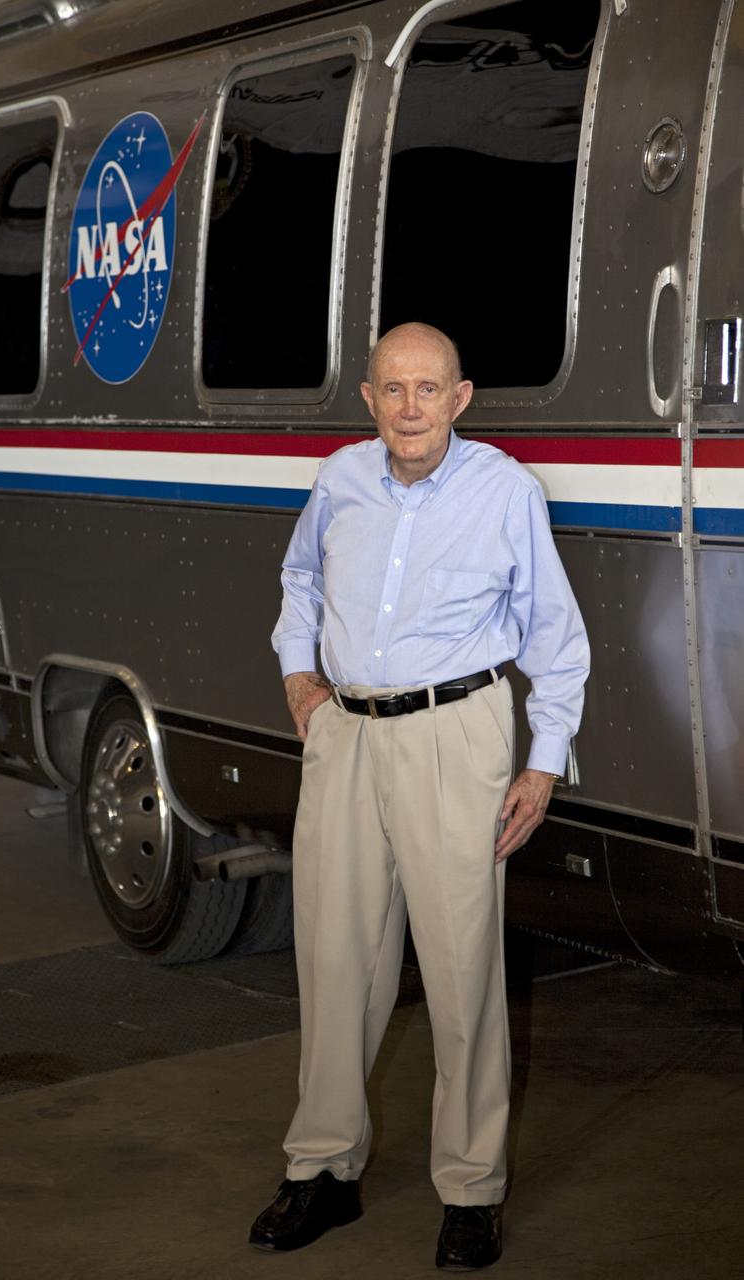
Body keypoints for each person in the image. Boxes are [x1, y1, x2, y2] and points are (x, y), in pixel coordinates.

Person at [250, 322, 590, 1271]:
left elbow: (554, 637)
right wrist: (298, 678)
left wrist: (541, 763)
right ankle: (321, 1169)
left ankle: (470, 1190)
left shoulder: (504, 492)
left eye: (427, 390)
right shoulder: (339, 479)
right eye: (391, 390)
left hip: (456, 736)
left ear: (460, 397)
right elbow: (299, 577)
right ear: (367, 399)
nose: (409, 408)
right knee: (333, 959)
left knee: (461, 968)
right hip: (346, 737)